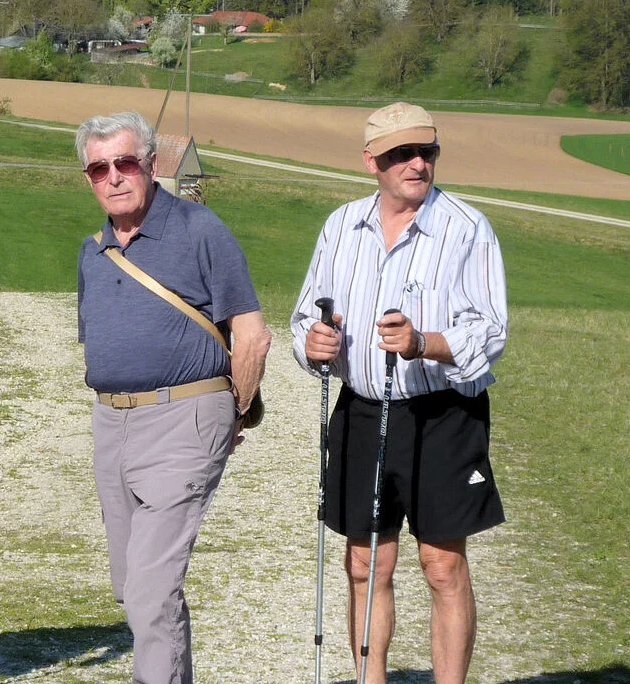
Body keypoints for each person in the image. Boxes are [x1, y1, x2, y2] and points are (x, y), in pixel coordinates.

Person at [291, 102, 508, 683]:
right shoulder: (341, 226)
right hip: (362, 409)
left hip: (443, 414)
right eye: (400, 154)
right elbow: (304, 316)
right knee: (365, 562)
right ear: (371, 162)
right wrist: (311, 343)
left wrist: (424, 343)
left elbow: (490, 332)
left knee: (441, 565)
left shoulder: (466, 227)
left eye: (426, 151)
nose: (417, 163)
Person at [75, 111, 271, 684]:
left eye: (126, 162)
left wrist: (230, 415)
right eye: (99, 168)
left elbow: (252, 334)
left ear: (152, 164)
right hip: (112, 423)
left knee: (151, 588)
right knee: (135, 586)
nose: (114, 177)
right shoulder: (93, 251)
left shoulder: (199, 229)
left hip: (186, 417)